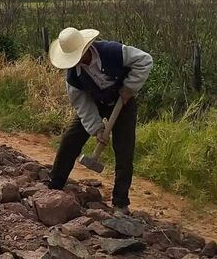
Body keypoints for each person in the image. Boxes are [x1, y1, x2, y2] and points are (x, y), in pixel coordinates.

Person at [47, 27, 152, 215]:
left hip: (123, 103)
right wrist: (97, 128)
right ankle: (54, 185)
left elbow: (145, 60)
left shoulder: (113, 51)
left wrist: (129, 87)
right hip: (95, 102)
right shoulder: (73, 76)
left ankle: (120, 202)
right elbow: (82, 105)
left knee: (124, 151)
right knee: (70, 140)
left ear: (85, 48)